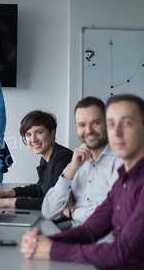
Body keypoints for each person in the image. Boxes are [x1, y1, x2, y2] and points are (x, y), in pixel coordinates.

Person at [20, 94, 144, 270]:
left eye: (127, 124)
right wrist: (45, 242)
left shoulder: (140, 175)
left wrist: (53, 248)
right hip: (110, 268)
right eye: (113, 124)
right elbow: (91, 229)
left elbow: (120, 251)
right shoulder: (125, 176)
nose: (117, 132)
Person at [42, 97, 122, 233]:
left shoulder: (123, 161)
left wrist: (72, 213)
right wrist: (71, 170)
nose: (89, 130)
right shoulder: (77, 162)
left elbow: (114, 211)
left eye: (95, 123)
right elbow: (49, 211)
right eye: (82, 125)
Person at [0, 111, 72, 210]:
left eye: (39, 132)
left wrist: (4, 202)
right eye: (28, 134)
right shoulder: (47, 157)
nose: (33, 140)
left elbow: (52, 202)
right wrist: (4, 193)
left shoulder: (63, 158)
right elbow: (39, 188)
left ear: (52, 133)